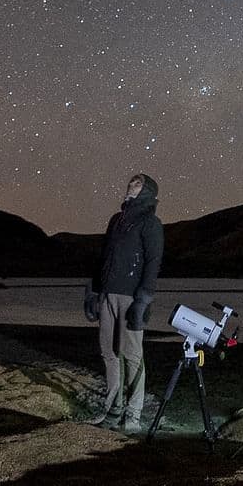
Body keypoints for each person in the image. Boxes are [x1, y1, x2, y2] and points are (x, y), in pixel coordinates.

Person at [84, 173, 164, 432]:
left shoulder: (151, 223)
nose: (131, 185)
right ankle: (113, 409)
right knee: (109, 353)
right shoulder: (116, 220)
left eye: (138, 183)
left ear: (148, 191)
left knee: (132, 355)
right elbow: (104, 256)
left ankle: (133, 415)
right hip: (108, 293)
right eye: (131, 182)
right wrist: (93, 291)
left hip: (131, 296)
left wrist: (144, 299)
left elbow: (153, 263)